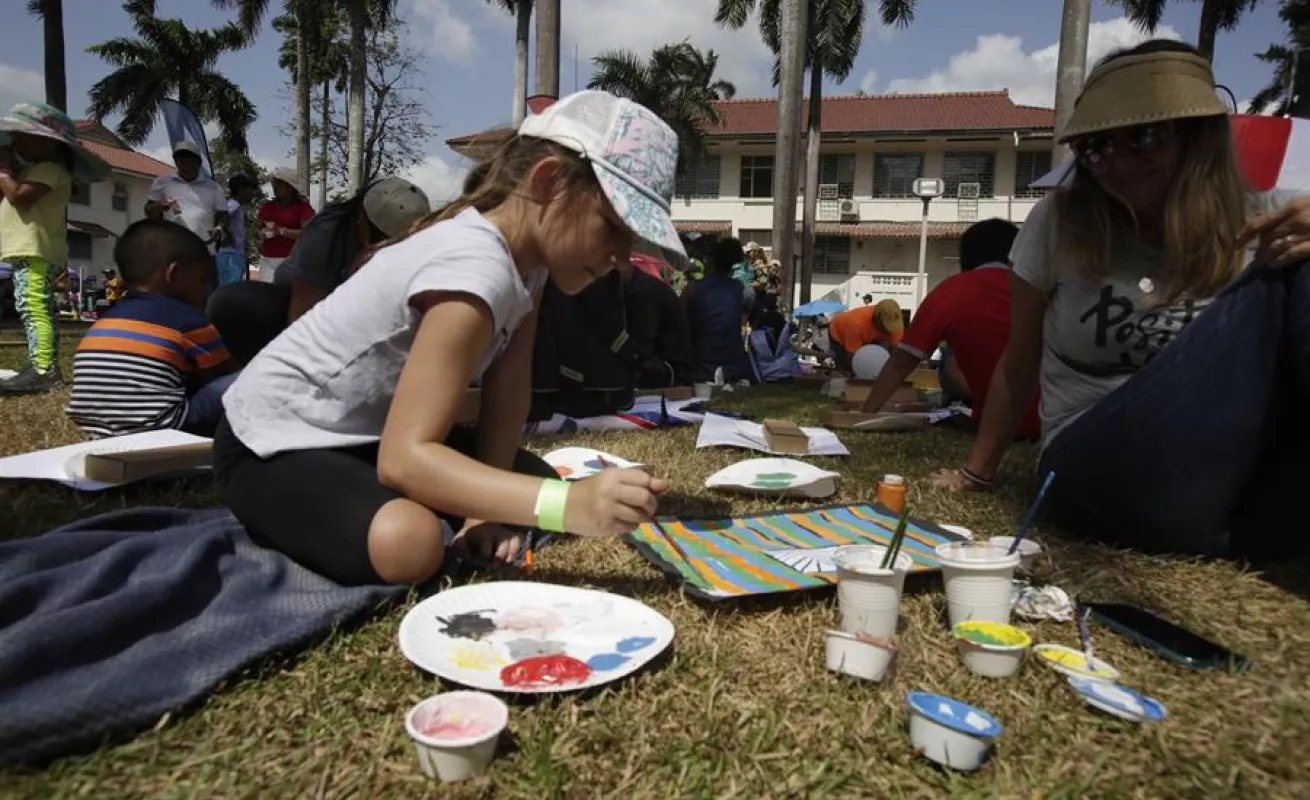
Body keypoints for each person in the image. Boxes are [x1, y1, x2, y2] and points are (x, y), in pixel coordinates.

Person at [212, 90, 677, 586]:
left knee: (530, 484)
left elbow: (508, 389)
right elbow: (403, 458)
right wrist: (569, 506)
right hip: (271, 441)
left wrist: (482, 513)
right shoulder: (474, 267)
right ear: (547, 182)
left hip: (361, 436)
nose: (623, 259)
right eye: (612, 227)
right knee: (409, 543)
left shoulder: (530, 267)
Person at [929, 40, 1310, 560]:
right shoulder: (1061, 222)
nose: (1119, 163)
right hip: (1097, 455)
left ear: (1197, 137)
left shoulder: (1271, 216)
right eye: (1097, 148)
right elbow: (1018, 362)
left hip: (1232, 461)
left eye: (1145, 138)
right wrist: (976, 472)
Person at [205, 176, 429, 364]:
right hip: (301, 307)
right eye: (381, 238)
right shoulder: (327, 233)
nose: (386, 247)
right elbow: (301, 318)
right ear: (361, 218)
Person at [858, 218, 1040, 439]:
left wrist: (865, 415)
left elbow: (902, 362)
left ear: (965, 258)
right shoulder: (1041, 289)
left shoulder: (952, 291)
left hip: (997, 427)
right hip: (1060, 422)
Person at [66, 219, 239, 438]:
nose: (205, 290)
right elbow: (226, 370)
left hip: (97, 430)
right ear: (174, 274)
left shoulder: (105, 321)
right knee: (251, 376)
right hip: (166, 428)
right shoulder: (186, 319)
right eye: (201, 280)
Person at [0, 102, 110, 395]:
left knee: (33, 307)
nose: (16, 143)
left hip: (35, 249)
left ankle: (43, 371)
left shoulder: (50, 170)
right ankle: (44, 365)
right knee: (41, 309)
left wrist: (3, 169)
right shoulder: (37, 169)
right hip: (30, 249)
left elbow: (20, 197)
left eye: (23, 137)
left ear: (47, 143)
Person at [684, 236, 753, 383]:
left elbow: (678, 325)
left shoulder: (692, 289)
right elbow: (740, 329)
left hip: (700, 368)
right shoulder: (741, 290)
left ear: (709, 260)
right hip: (734, 367)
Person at [145, 141, 227, 255]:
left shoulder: (214, 188)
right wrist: (161, 206)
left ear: (198, 163)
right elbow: (148, 211)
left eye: (188, 160)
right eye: (179, 160)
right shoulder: (163, 182)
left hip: (204, 251)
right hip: (172, 251)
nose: (183, 164)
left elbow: (223, 215)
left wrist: (218, 228)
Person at [255, 167, 315, 283]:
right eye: (274, 183)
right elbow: (258, 230)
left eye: (279, 184)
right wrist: (261, 235)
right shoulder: (267, 207)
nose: (275, 187)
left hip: (292, 261)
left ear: (290, 187)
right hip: (268, 261)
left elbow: (309, 233)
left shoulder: (303, 208)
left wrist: (281, 231)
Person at [826, 298, 903, 374]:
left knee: (878, 363)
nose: (887, 330)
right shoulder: (855, 324)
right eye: (885, 326)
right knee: (845, 369)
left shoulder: (895, 323)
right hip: (839, 335)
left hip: (869, 337)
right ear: (876, 317)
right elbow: (852, 357)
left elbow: (896, 352)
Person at [217, 173, 257, 286]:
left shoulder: (237, 206)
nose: (252, 193)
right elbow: (223, 217)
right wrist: (227, 234)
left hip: (235, 254)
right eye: (250, 189)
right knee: (229, 289)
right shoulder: (233, 205)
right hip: (230, 254)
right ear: (241, 189)